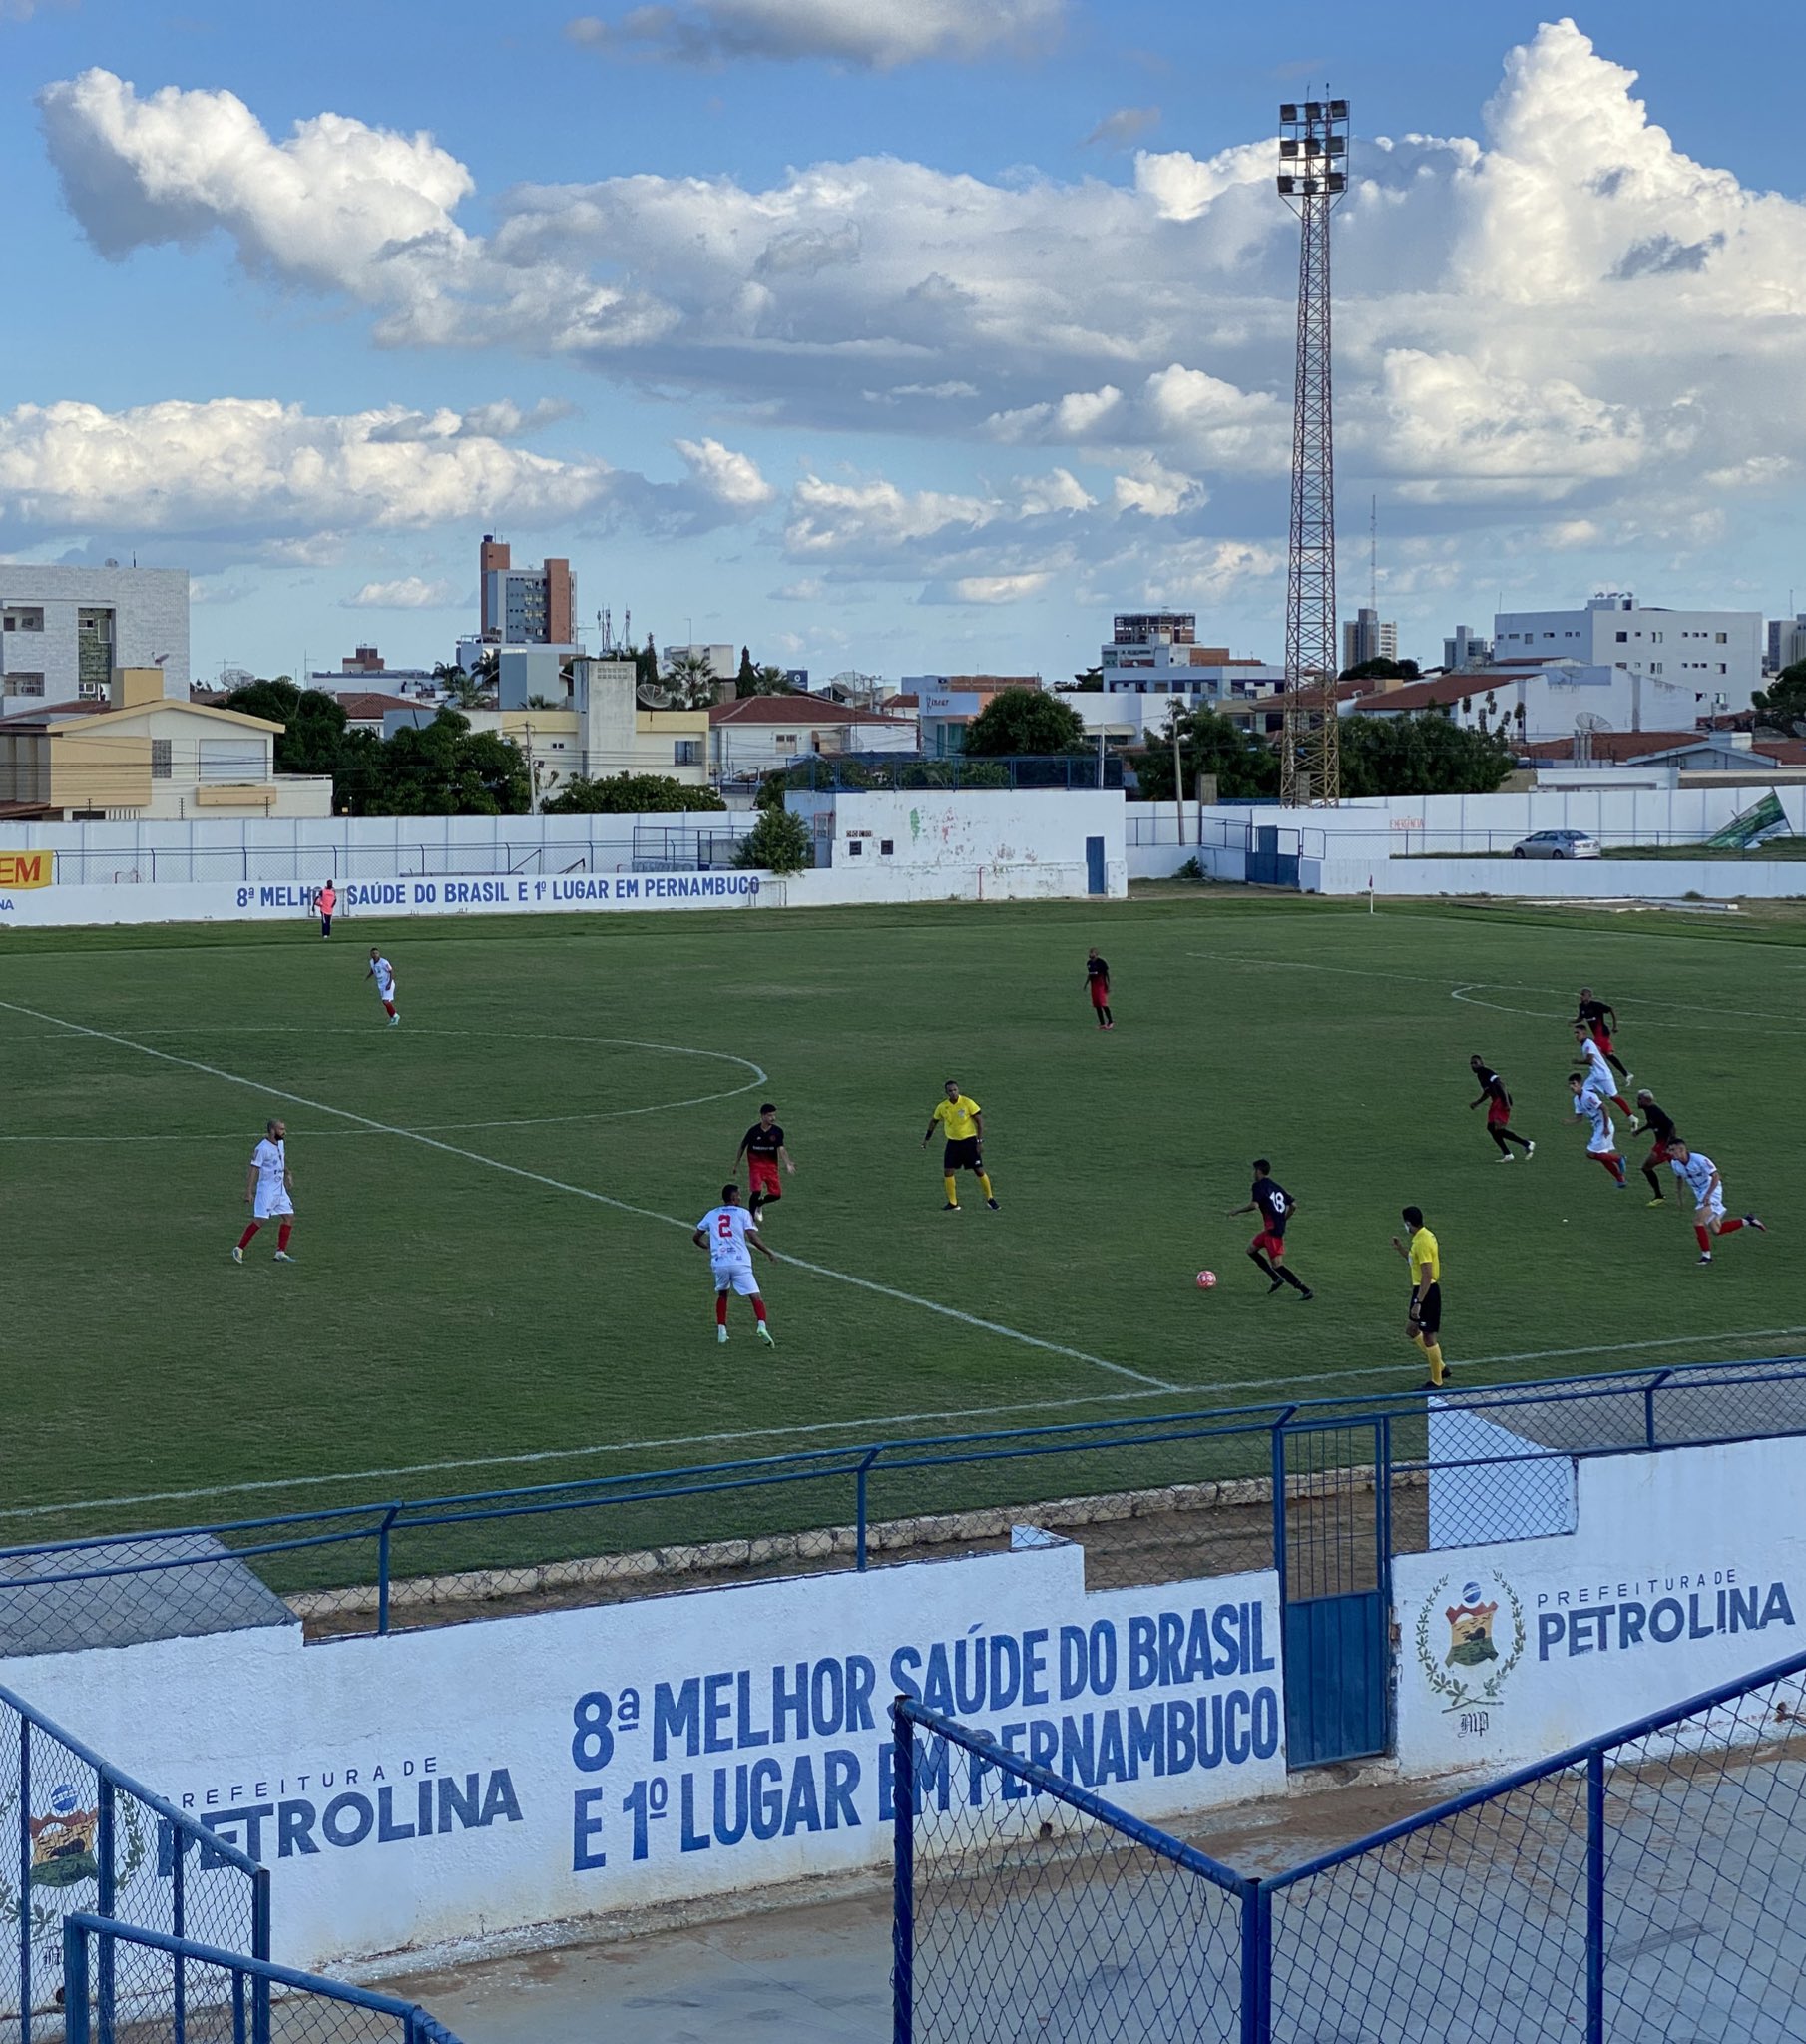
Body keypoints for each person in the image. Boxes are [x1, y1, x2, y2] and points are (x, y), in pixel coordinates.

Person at [692, 1182, 776, 1343]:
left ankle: (722, 1331)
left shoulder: (712, 1214)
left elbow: (696, 1237)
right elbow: (753, 1237)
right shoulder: (743, 1213)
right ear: (733, 1196)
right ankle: (761, 1325)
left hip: (720, 1262)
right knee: (755, 1296)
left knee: (723, 1294)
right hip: (740, 1262)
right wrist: (768, 1252)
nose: (740, 1196)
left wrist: (706, 1247)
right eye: (738, 1194)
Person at [1666, 1142, 1767, 1266]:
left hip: (1712, 1189)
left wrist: (1708, 1194)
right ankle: (1748, 1220)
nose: (1670, 1152)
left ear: (1681, 1149)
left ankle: (1706, 1256)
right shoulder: (1675, 1163)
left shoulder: (1700, 1159)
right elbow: (1679, 1178)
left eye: (1672, 1150)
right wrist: (1679, 1195)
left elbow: (1716, 1175)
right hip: (1700, 1193)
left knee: (1698, 1221)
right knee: (1717, 1229)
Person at [1227, 1160, 1313, 1297]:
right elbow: (1293, 1205)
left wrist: (1237, 1211)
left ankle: (1305, 1290)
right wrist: (1283, 1219)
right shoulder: (1275, 1185)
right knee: (1251, 1250)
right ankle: (1275, 1278)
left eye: (1254, 1170)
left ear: (1259, 1171)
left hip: (1273, 1232)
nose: (1253, 1173)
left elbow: (1254, 1205)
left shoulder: (1258, 1186)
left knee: (1278, 1265)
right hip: (1271, 1230)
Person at [1391, 1205, 1448, 1390]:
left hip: (1427, 1291)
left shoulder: (1422, 1242)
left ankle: (1436, 1380)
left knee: (1429, 1337)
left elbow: (1427, 1274)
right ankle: (1440, 1366)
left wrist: (1418, 1303)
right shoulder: (1422, 1237)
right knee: (1412, 1330)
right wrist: (1400, 1249)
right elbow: (1413, 1261)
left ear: (1408, 1222)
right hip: (1422, 1290)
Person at [922, 1080, 999, 1211]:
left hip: (969, 1141)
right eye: (950, 1091)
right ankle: (953, 1203)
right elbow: (934, 1121)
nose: (953, 1092)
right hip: (953, 1143)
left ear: (958, 1089)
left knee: (979, 1170)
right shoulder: (942, 1107)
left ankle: (990, 1199)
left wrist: (979, 1141)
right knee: (948, 1171)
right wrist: (927, 1138)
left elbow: (979, 1122)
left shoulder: (967, 1102)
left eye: (955, 1090)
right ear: (946, 1092)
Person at [234, 1118, 296, 1264]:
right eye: (281, 1129)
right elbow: (254, 1168)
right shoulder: (262, 1148)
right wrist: (249, 1191)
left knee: (289, 1217)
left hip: (279, 1188)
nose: (284, 1132)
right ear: (272, 1130)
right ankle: (239, 1248)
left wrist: (287, 1173)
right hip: (267, 1189)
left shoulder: (280, 1143)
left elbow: (280, 1160)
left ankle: (280, 1252)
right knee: (261, 1220)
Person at [734, 1104, 796, 1224]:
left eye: (774, 1115)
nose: (773, 1118)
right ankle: (750, 1220)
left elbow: (781, 1148)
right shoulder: (753, 1131)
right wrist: (736, 1164)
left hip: (771, 1167)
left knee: (776, 1195)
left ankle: (759, 1203)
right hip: (756, 1166)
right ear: (762, 1116)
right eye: (770, 1115)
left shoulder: (777, 1131)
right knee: (756, 1191)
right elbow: (743, 1146)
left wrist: (788, 1163)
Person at [1468, 1056, 1534, 1162]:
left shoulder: (1486, 1072)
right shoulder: (1480, 1075)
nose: (1473, 1065)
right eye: (1471, 1063)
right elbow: (1487, 1091)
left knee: (1498, 1129)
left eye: (1475, 1063)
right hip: (1495, 1101)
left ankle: (1527, 1143)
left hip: (1501, 1100)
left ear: (1481, 1063)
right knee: (1491, 1128)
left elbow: (1500, 1084)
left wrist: (1506, 1102)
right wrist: (1477, 1102)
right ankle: (1508, 1153)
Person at [1569, 1073, 1628, 1188]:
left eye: (1574, 1084)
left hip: (1604, 1126)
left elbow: (1605, 1108)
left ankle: (1619, 1158)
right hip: (1597, 1127)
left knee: (1591, 1153)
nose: (1572, 1087)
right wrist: (1568, 1121)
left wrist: (1606, 1127)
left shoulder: (1589, 1096)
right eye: (1570, 1084)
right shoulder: (1576, 1099)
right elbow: (1579, 1117)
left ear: (1580, 1084)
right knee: (1602, 1156)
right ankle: (1620, 1179)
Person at [1572, 1025, 1634, 1125]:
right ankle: (1595, 1113)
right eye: (1575, 1033)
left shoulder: (1588, 1044)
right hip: (1595, 1075)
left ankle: (1632, 1117)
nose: (1576, 1035)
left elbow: (1590, 1060)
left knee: (1614, 1097)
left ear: (1584, 1033)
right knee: (1584, 1092)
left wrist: (1577, 1061)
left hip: (1603, 1075)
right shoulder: (1585, 1044)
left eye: (1577, 1033)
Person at [1634, 1090, 1680, 1206]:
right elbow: (1652, 1123)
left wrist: (1669, 1144)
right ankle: (1659, 1196)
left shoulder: (1655, 1110)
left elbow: (1671, 1126)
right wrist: (1640, 1131)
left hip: (1664, 1144)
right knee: (1681, 1169)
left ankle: (1659, 1196)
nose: (1637, 1101)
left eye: (1639, 1098)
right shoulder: (1649, 1110)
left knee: (1647, 1167)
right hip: (1662, 1143)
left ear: (1646, 1100)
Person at [1574, 988, 1629, 1081]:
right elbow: (1581, 1018)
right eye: (1581, 995)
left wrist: (1615, 1026)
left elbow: (1611, 1009)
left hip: (1602, 1033)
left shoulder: (1596, 1005)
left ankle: (1599, 1075)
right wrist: (1572, 1022)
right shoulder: (1582, 1006)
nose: (1581, 997)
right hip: (1597, 1035)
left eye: (1583, 995)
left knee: (1594, 1052)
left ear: (1589, 996)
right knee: (1609, 1055)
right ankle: (1626, 1074)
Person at [366, 947, 400, 1026]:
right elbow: (373, 970)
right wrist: (368, 976)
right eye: (373, 953)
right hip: (381, 985)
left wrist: (389, 983)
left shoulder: (384, 962)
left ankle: (396, 1016)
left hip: (388, 984)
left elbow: (391, 971)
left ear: (379, 954)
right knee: (385, 1002)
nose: (375, 955)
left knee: (386, 1001)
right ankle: (393, 1019)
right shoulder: (371, 962)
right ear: (371, 954)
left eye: (376, 953)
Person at [1084, 949, 1114, 1031]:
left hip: (1101, 985)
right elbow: (1089, 974)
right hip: (1093, 986)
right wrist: (1086, 984)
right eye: (1089, 953)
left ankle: (1110, 1022)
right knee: (1097, 1005)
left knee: (1103, 1003)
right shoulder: (1089, 963)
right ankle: (1102, 1024)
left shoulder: (1101, 962)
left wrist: (1108, 985)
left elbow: (1106, 974)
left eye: (1092, 953)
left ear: (1096, 954)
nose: (1090, 954)